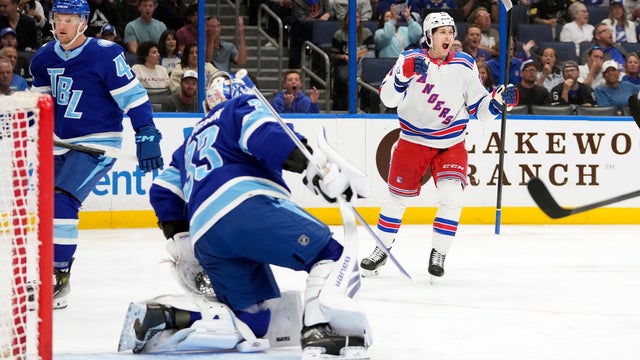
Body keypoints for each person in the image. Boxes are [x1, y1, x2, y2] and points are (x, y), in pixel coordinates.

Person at [144, 70, 372, 356]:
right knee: (329, 253)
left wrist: (180, 238)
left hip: (206, 237)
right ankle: (319, 329)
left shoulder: (188, 145)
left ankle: (172, 317)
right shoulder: (240, 106)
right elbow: (264, 135)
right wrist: (311, 166)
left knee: (255, 320)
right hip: (246, 207)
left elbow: (163, 191)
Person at [360, 12, 517, 278]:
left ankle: (439, 253)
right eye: (441, 31)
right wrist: (404, 76)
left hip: (451, 143)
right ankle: (381, 250)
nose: (447, 36)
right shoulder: (409, 60)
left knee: (451, 197)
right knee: (396, 200)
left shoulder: (465, 64)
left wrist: (500, 102)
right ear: (429, 36)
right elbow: (387, 98)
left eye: (450, 31)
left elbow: (480, 110)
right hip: (412, 141)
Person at [29, 0, 164, 309]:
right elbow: (42, 106)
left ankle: (57, 277)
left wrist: (146, 132)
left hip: (97, 143)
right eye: (58, 18)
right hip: (58, 144)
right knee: (44, 205)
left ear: (83, 22)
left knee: (62, 199)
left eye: (69, 18)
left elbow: (134, 98)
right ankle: (45, 270)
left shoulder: (105, 54)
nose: (62, 24)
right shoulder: (43, 57)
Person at [330, 10, 374, 110]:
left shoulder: (366, 32)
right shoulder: (339, 34)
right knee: (344, 77)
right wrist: (344, 57)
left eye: (357, 17)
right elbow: (333, 54)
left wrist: (360, 56)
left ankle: (365, 106)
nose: (355, 20)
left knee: (368, 70)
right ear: (346, 20)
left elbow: (371, 49)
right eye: (351, 17)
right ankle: (345, 105)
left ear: (360, 20)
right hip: (345, 64)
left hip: (363, 63)